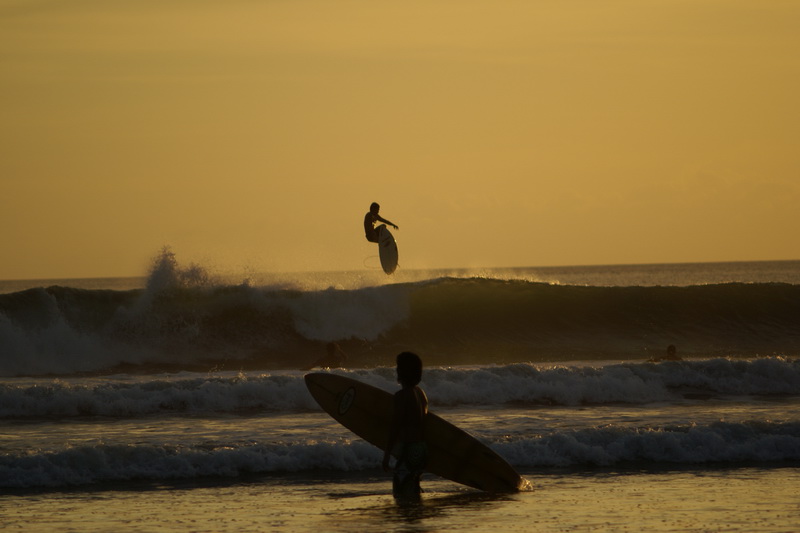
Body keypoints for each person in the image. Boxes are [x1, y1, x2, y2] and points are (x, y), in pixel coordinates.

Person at [383, 352, 428, 501]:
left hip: (408, 449)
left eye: (398, 367)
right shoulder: (421, 394)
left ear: (402, 371)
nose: (396, 370)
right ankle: (415, 517)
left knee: (401, 492)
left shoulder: (401, 396)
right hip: (421, 448)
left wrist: (387, 453)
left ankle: (408, 520)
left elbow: (396, 426)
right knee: (413, 485)